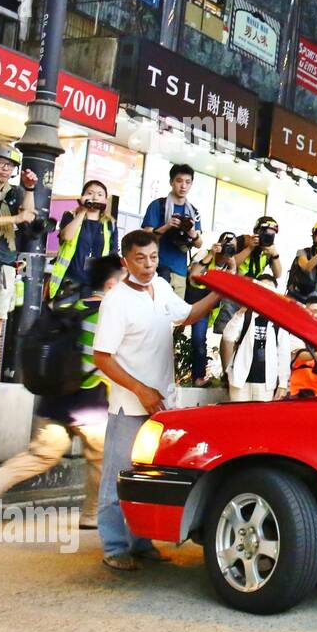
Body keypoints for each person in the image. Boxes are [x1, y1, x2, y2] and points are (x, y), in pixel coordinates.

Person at [91, 230, 221, 571]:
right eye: (140, 259)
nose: (148, 265)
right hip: (129, 406)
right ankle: (115, 546)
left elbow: (189, 315)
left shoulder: (162, 288)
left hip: (162, 407)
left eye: (153, 257)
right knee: (118, 477)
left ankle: (142, 541)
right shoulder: (116, 300)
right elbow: (102, 357)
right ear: (125, 262)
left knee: (148, 477)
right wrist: (140, 389)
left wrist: (219, 293)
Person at [0, 255, 123, 527]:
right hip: (90, 402)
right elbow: (109, 361)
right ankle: (91, 515)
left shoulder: (73, 305)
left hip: (55, 396)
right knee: (101, 458)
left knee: (41, 454)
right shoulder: (109, 314)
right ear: (112, 285)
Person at [0, 144, 38, 382]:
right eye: (1, 162)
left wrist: (30, 188)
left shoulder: (17, 193)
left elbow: (29, 217)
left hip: (5, 264)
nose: (6, 168)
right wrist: (15, 218)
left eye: (10, 165)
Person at [222, 274, 294, 402]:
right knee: (238, 418)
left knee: (261, 420)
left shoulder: (279, 322)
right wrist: (241, 312)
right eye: (261, 289)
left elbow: (283, 354)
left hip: (266, 383)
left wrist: (283, 384)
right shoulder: (246, 315)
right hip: (240, 380)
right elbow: (228, 336)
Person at [140, 163, 202, 297]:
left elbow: (199, 244)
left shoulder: (193, 212)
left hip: (180, 271)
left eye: (188, 182)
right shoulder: (158, 205)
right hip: (156, 268)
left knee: (175, 316)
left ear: (191, 184)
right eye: (179, 181)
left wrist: (191, 233)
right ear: (171, 182)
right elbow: (144, 238)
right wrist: (167, 226)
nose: (183, 186)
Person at [49, 179, 116, 300]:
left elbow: (113, 253)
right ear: (82, 197)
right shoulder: (70, 215)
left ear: (105, 200)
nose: (95, 197)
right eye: (90, 193)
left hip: (95, 285)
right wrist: (83, 210)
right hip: (70, 280)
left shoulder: (109, 223)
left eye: (100, 195)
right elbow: (67, 236)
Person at [186, 234, 236, 386]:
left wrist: (233, 265)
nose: (228, 248)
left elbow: (229, 285)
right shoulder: (205, 253)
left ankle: (198, 378)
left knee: (199, 341)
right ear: (219, 243)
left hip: (206, 308)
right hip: (190, 301)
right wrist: (211, 254)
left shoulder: (229, 264)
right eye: (227, 244)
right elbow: (193, 275)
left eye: (232, 246)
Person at [288, 219, 317, 302]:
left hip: (314, 301)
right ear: (314, 236)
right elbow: (307, 267)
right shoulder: (302, 252)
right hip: (295, 297)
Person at [232, 215, 283, 281]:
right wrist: (249, 248)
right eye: (265, 233)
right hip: (235, 282)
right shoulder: (244, 240)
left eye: (272, 235)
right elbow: (231, 264)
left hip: (253, 285)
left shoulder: (270, 249)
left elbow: (278, 275)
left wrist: (275, 255)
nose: (268, 237)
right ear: (256, 231)